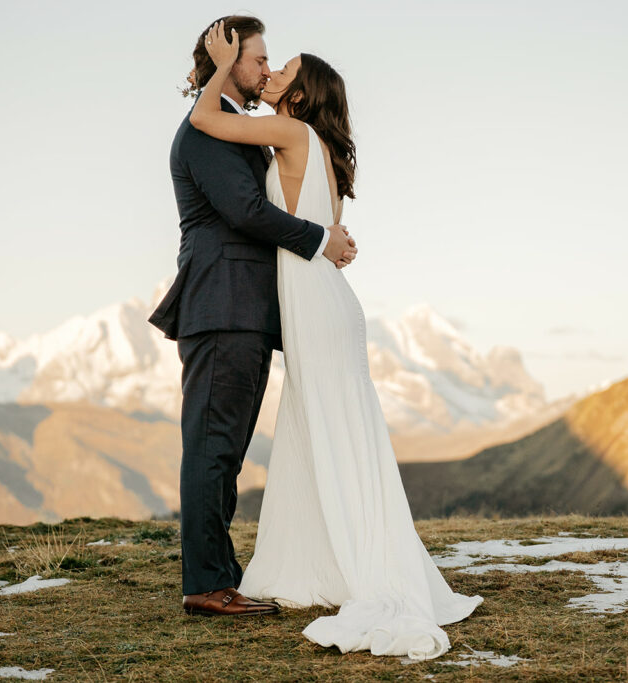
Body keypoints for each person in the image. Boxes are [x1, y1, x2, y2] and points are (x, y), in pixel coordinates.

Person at [187, 20, 483, 660]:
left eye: (282, 68)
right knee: (328, 426)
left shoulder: (291, 132)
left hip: (318, 311)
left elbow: (206, 120)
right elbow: (320, 229)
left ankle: (366, 572)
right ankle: (331, 562)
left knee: (329, 424)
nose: (270, 73)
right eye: (267, 62)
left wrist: (220, 63)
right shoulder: (311, 144)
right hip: (323, 307)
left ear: (302, 92)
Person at [148, 15, 358, 618]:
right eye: (260, 59)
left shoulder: (240, 129)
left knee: (228, 449)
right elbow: (242, 210)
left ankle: (220, 573)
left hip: (246, 309)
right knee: (213, 447)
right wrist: (320, 239)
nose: (268, 69)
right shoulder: (205, 133)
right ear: (228, 61)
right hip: (222, 304)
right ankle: (206, 583)